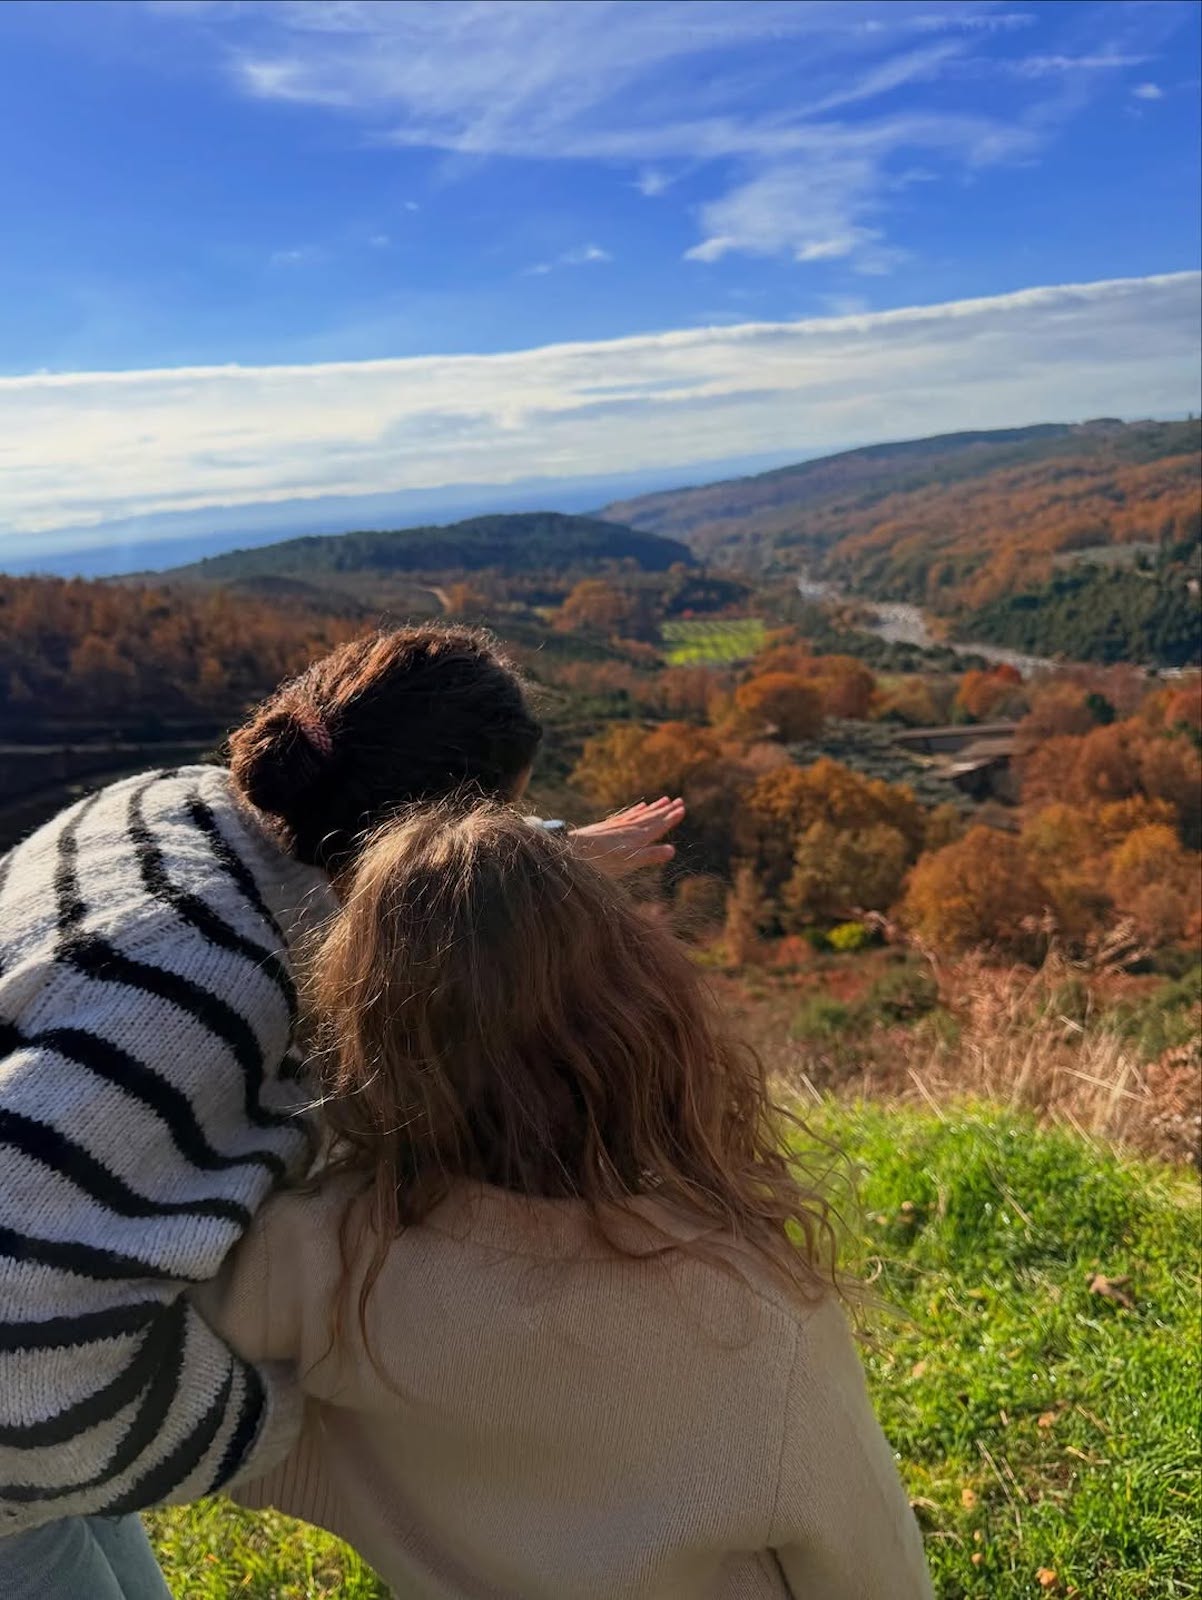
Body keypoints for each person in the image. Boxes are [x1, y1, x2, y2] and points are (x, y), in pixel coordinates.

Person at [0, 625, 683, 1599]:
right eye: (497, 820)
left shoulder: (178, 802)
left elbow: (374, 869)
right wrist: (285, 1420)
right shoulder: (211, 990)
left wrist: (545, 854)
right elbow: (24, 1374)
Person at [199, 804, 933, 1600]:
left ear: (357, 1035)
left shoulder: (310, 1258)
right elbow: (875, 1571)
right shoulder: (749, 1312)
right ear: (640, 1020)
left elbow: (186, 1407)